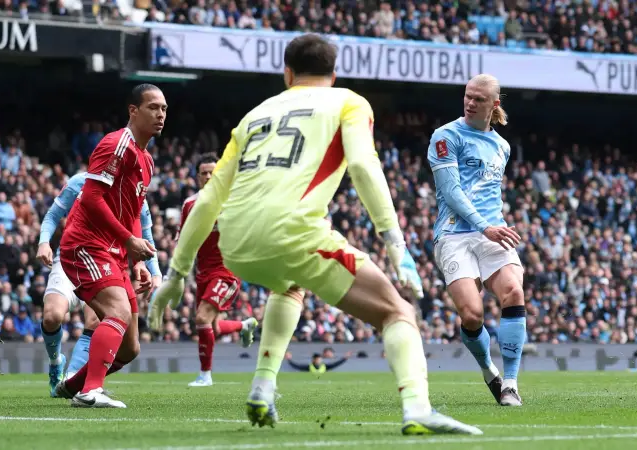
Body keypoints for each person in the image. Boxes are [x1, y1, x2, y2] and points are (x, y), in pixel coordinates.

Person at [149, 34, 481, 435]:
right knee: (397, 312)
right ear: (334, 74)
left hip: (232, 240)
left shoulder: (254, 116)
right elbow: (363, 165)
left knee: (289, 286)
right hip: (292, 232)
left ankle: (262, 387)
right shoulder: (348, 102)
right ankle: (417, 408)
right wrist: (396, 244)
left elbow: (206, 201)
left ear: (287, 74)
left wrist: (176, 275)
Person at [53, 83, 165, 408]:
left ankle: (73, 385)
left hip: (113, 251)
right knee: (117, 312)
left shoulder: (146, 160)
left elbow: (132, 211)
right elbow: (91, 198)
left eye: (164, 109)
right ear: (133, 110)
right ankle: (89, 392)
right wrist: (129, 240)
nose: (160, 114)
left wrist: (137, 259)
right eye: (153, 107)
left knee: (130, 348)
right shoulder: (117, 144)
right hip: (85, 243)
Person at [427, 73, 525, 407]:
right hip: (455, 234)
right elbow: (451, 191)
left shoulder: (502, 146)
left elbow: (489, 193)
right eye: (468, 96)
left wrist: (491, 228)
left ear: (493, 104)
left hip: (492, 231)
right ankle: (489, 371)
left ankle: (510, 383)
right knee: (472, 315)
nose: (470, 102)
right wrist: (485, 227)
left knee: (513, 292)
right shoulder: (446, 136)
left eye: (478, 99)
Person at [36, 171, 162, 397]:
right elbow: (53, 215)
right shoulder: (81, 182)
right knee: (52, 316)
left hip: (109, 265)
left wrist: (155, 273)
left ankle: (72, 381)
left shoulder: (136, 192)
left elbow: (145, 237)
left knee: (100, 321)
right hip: (75, 255)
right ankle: (56, 363)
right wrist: (44, 242)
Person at [174, 153, 258, 387]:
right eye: (204, 173)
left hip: (226, 272)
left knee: (202, 317)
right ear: (198, 177)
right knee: (212, 326)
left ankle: (205, 376)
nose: (209, 176)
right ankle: (244, 325)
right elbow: (182, 242)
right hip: (202, 273)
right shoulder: (190, 205)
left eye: (213, 172)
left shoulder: (234, 200)